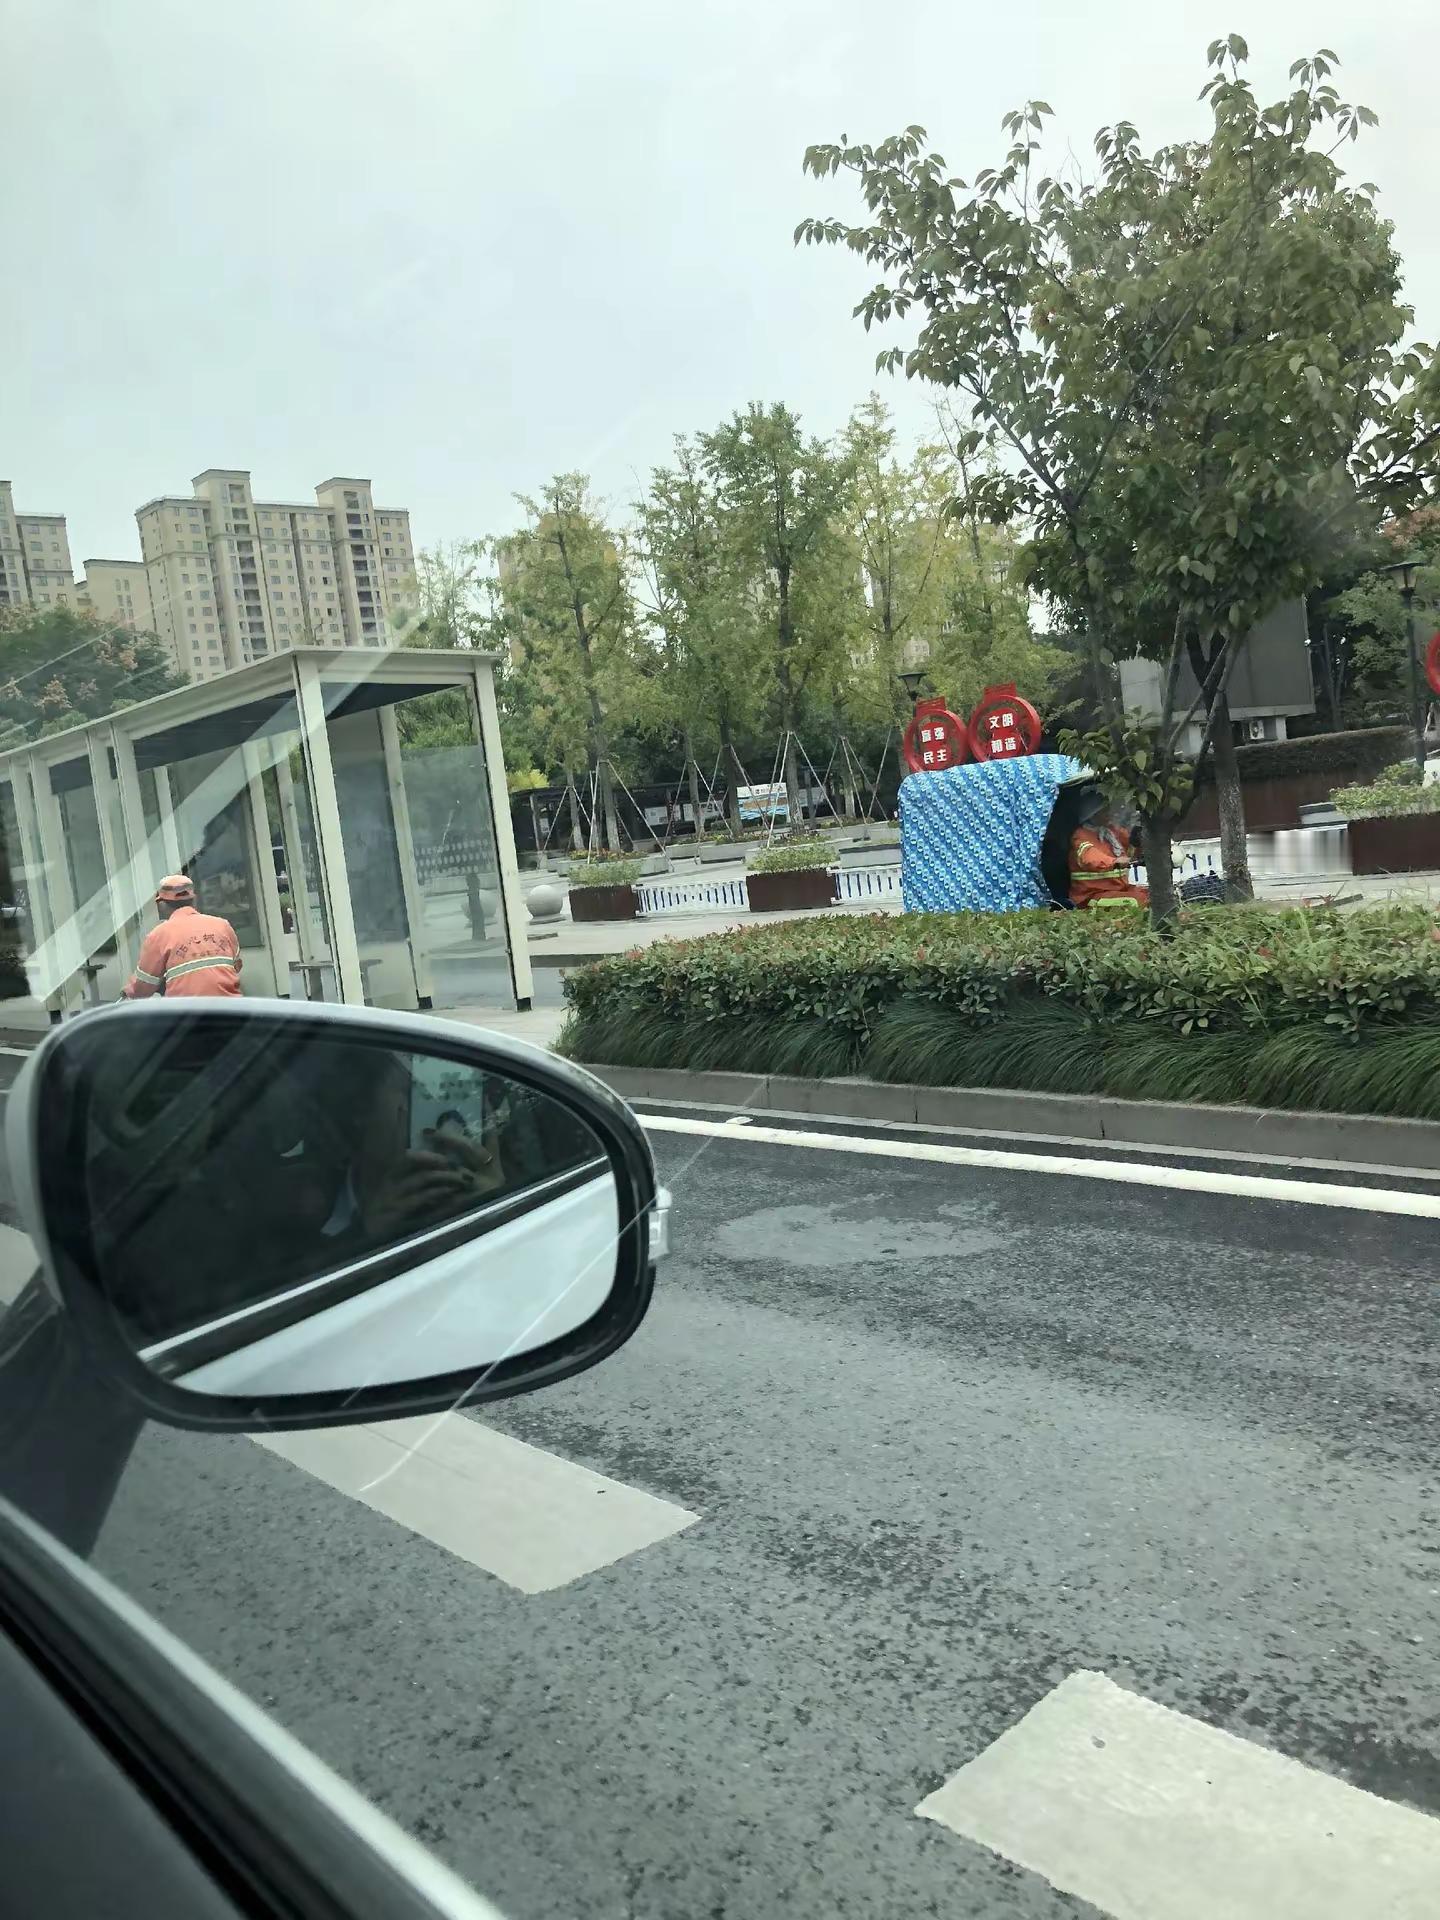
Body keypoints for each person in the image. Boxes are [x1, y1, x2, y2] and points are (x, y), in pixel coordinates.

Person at [122, 873, 243, 998]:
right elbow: (236, 966)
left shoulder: (159, 935)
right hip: (231, 1006)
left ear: (162, 904)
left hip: (187, 1008)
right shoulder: (222, 925)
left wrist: (128, 992)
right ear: (194, 900)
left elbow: (142, 988)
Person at [1068, 801, 1149, 910]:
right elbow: (1090, 858)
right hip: (1091, 895)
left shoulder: (1111, 832)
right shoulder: (1081, 836)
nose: (1109, 813)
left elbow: (1130, 852)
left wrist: (1139, 842)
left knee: (1153, 895)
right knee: (1135, 901)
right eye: (1104, 811)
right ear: (1092, 815)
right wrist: (1115, 862)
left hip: (1118, 889)